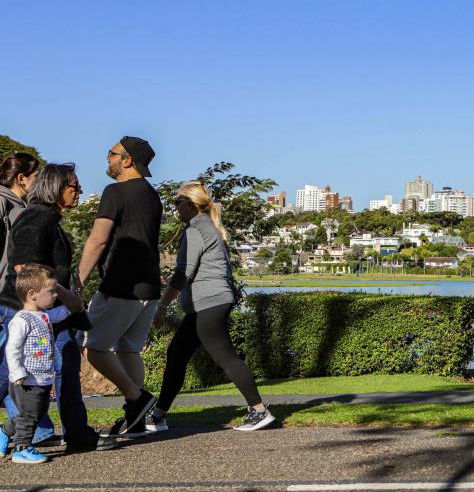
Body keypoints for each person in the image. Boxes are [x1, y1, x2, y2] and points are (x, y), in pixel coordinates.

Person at [0, 164, 115, 453]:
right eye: (73, 186)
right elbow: (22, 265)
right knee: (10, 372)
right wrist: (65, 294)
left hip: (52, 311)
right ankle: (34, 433)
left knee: (66, 364)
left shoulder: (50, 219)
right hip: (25, 310)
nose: (79, 191)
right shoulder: (37, 217)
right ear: (55, 188)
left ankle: (78, 435)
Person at [146, 182, 274, 432]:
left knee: (225, 356)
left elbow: (184, 274)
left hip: (209, 302)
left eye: (178, 202)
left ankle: (259, 411)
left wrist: (161, 306)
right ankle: (158, 415)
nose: (175, 208)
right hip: (207, 304)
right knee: (177, 354)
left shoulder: (196, 230)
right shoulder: (207, 227)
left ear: (192, 204)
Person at [78, 137, 162, 435]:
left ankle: (137, 399)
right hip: (149, 286)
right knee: (129, 350)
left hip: (122, 284)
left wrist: (78, 280)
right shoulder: (151, 195)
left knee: (93, 348)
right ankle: (137, 419)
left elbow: (99, 238)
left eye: (111, 154)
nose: (107, 160)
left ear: (126, 160)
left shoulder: (115, 191)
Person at [0, 152, 56, 444]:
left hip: (13, 296)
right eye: (37, 177)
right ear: (22, 179)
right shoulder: (3, 203)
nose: (41, 183)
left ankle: (36, 430)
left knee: (13, 367)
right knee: (8, 368)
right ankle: (31, 431)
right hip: (6, 296)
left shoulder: (22, 207)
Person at [0, 264, 82, 463]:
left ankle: (4, 431)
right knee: (30, 415)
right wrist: (18, 372)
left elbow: (59, 314)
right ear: (32, 294)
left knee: (35, 412)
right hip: (26, 379)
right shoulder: (21, 320)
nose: (55, 295)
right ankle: (22, 448)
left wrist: (72, 307)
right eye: (51, 291)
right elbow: (12, 348)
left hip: (42, 377)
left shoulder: (43, 315)